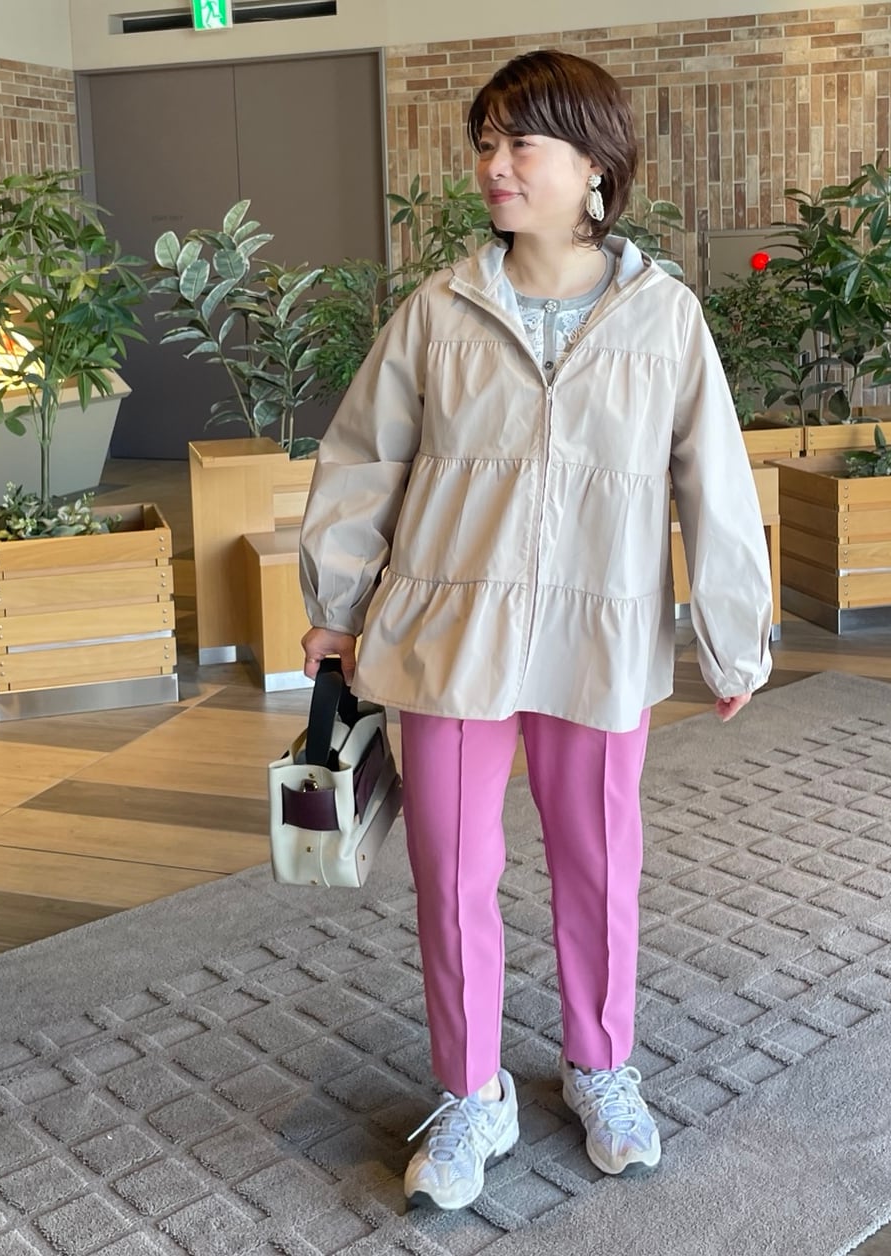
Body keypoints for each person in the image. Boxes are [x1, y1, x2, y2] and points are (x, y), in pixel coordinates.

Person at [299, 48, 773, 1211]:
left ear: (593, 165)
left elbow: (715, 484)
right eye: (485, 143)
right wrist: (336, 604)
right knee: (450, 868)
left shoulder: (664, 316)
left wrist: (733, 635)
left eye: (519, 142)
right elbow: (362, 460)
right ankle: (472, 1090)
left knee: (599, 862)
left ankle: (600, 1063)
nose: (493, 165)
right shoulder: (439, 309)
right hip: (449, 636)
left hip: (597, 634)